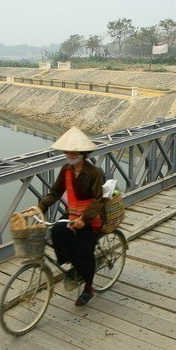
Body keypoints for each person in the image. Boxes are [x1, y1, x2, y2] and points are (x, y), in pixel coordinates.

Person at [26, 127, 105, 307]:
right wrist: (40, 207)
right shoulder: (66, 170)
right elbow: (55, 192)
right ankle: (76, 266)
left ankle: (88, 287)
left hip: (92, 218)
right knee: (57, 233)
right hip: (72, 214)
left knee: (85, 252)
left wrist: (83, 220)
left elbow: (99, 201)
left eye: (73, 151)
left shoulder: (94, 173)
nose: (69, 155)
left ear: (82, 153)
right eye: (67, 151)